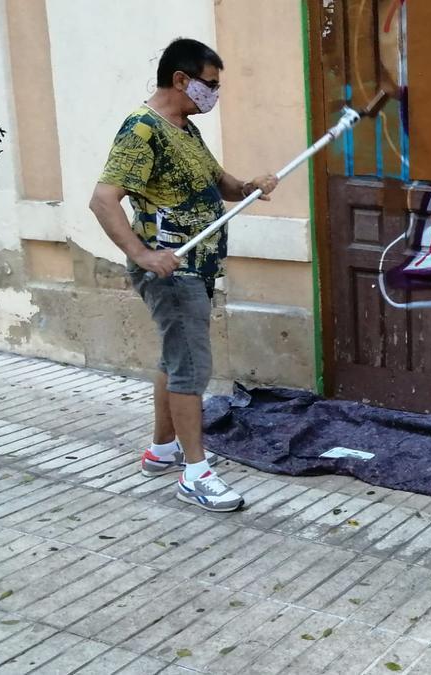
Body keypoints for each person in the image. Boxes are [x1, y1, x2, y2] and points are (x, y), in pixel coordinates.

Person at [88, 38, 278, 512]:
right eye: (210, 84)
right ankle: (195, 473)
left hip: (198, 267)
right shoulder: (143, 130)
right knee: (191, 368)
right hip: (174, 273)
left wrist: (250, 186)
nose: (216, 94)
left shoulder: (184, 129)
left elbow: (220, 184)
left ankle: (163, 450)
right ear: (180, 79)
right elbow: (103, 199)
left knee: (175, 360)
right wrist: (144, 255)